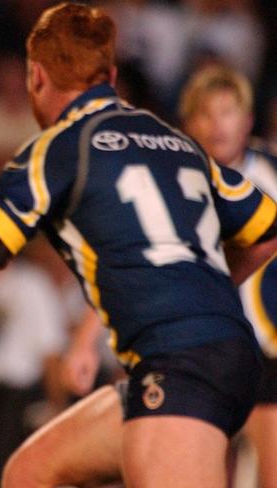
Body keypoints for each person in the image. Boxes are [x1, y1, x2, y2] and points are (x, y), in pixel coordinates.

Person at [0, 3, 277, 487]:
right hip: (216, 356)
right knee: (31, 473)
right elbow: (266, 231)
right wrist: (213, 293)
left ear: (36, 75)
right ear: (110, 75)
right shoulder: (175, 142)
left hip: (178, 364)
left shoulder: (55, 150)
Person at [180, 64, 277, 488]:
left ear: (248, 120)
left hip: (267, 353)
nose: (217, 124)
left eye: (228, 111)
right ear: (188, 124)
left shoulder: (271, 172)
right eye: (206, 113)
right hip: (199, 353)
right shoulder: (171, 179)